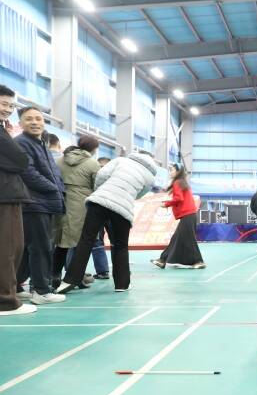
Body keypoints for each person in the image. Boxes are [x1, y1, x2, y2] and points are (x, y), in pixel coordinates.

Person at [57, 151, 157, 294]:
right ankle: (122, 284)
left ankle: (70, 280)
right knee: (120, 245)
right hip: (123, 209)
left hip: (99, 201)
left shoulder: (121, 160)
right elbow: (140, 194)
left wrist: (101, 191)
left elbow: (101, 175)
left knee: (86, 240)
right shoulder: (150, 177)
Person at [0, 83, 36, 319]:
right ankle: (6, 302)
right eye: (4, 104)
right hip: (1, 196)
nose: (8, 109)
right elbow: (21, 160)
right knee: (6, 250)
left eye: (11, 106)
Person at [14, 106, 66, 305]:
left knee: (30, 248)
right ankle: (41, 291)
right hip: (35, 202)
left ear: (44, 122)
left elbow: (51, 171)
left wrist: (58, 189)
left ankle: (15, 286)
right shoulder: (22, 142)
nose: (34, 122)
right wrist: (53, 188)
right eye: (29, 119)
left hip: (43, 202)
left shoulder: (40, 143)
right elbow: (27, 172)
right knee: (41, 247)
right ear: (20, 123)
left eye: (38, 118)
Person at [52, 136, 101, 285]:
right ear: (94, 149)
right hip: (82, 206)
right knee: (81, 243)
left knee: (61, 242)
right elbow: (97, 186)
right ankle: (75, 278)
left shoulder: (60, 160)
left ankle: (54, 276)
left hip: (60, 202)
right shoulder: (93, 164)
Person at [152, 163, 205, 269]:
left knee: (189, 239)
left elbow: (178, 198)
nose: (170, 172)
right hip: (189, 215)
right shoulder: (182, 182)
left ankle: (199, 261)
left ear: (178, 171)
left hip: (188, 215)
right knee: (176, 238)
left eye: (172, 170)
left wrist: (166, 204)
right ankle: (162, 260)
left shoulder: (177, 182)